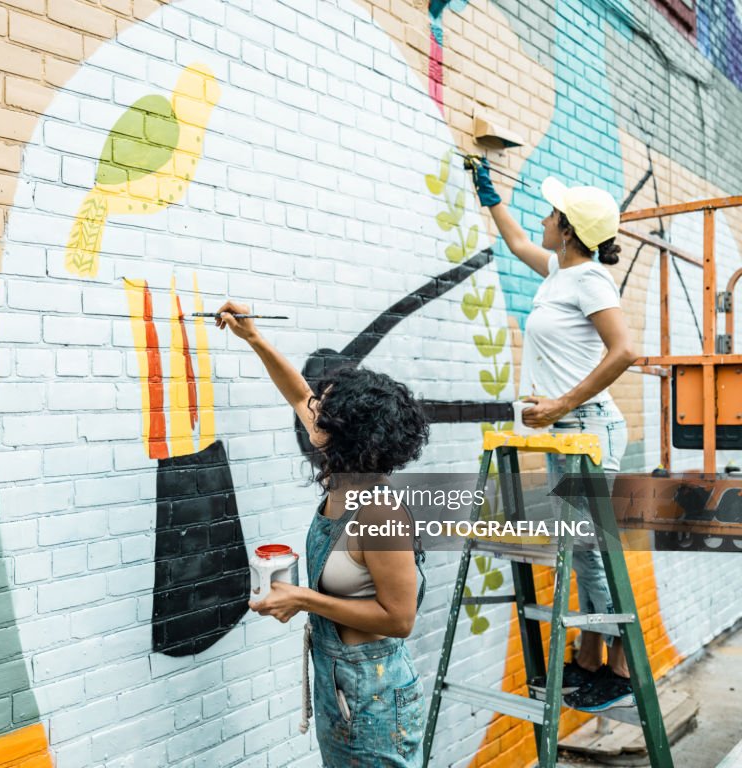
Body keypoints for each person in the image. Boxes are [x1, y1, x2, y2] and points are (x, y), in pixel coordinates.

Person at [214, 300, 430, 767]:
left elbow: (400, 619)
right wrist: (253, 338)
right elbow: (296, 391)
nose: (312, 408)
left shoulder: (379, 513)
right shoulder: (345, 474)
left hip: (374, 695)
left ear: (346, 433)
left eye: (323, 407)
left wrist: (303, 599)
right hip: (340, 683)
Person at [469, 158, 636, 711]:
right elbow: (517, 241)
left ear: (567, 230)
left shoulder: (589, 278)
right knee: (584, 550)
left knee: (587, 550)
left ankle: (621, 662)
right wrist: (488, 192)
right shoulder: (557, 272)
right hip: (566, 435)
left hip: (588, 430)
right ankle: (590, 659)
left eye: (551, 213)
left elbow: (624, 351)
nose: (542, 218)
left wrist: (563, 401)